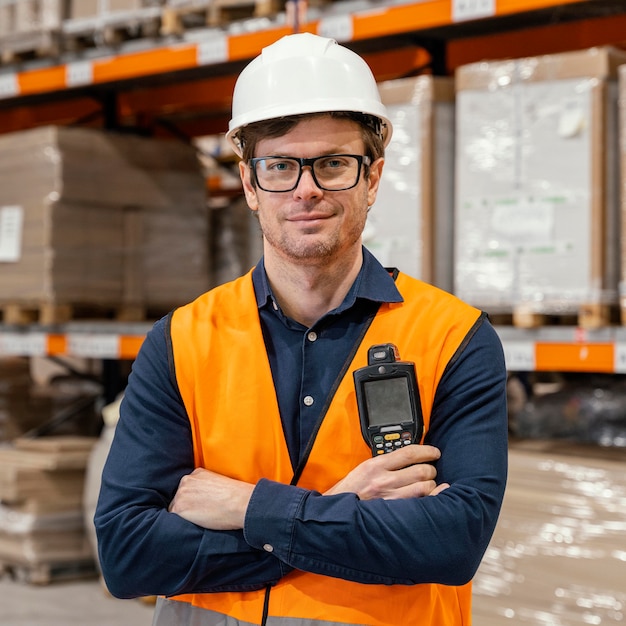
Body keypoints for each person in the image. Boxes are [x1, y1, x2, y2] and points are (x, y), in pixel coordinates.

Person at [95, 32, 508, 626]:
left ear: (372, 178)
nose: (306, 188)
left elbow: (452, 542)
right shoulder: (182, 340)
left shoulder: (455, 337)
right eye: (281, 166)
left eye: (334, 164)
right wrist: (341, 515)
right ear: (249, 183)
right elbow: (128, 555)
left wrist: (247, 506)